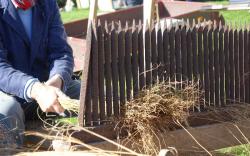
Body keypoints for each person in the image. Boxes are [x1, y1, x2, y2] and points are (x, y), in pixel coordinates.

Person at [0, 0, 80, 147]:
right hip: (7, 94)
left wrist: (56, 82)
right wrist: (36, 89)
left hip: (48, 88)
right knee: (8, 111)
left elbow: (61, 52)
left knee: (95, 97)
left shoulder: (48, 3)